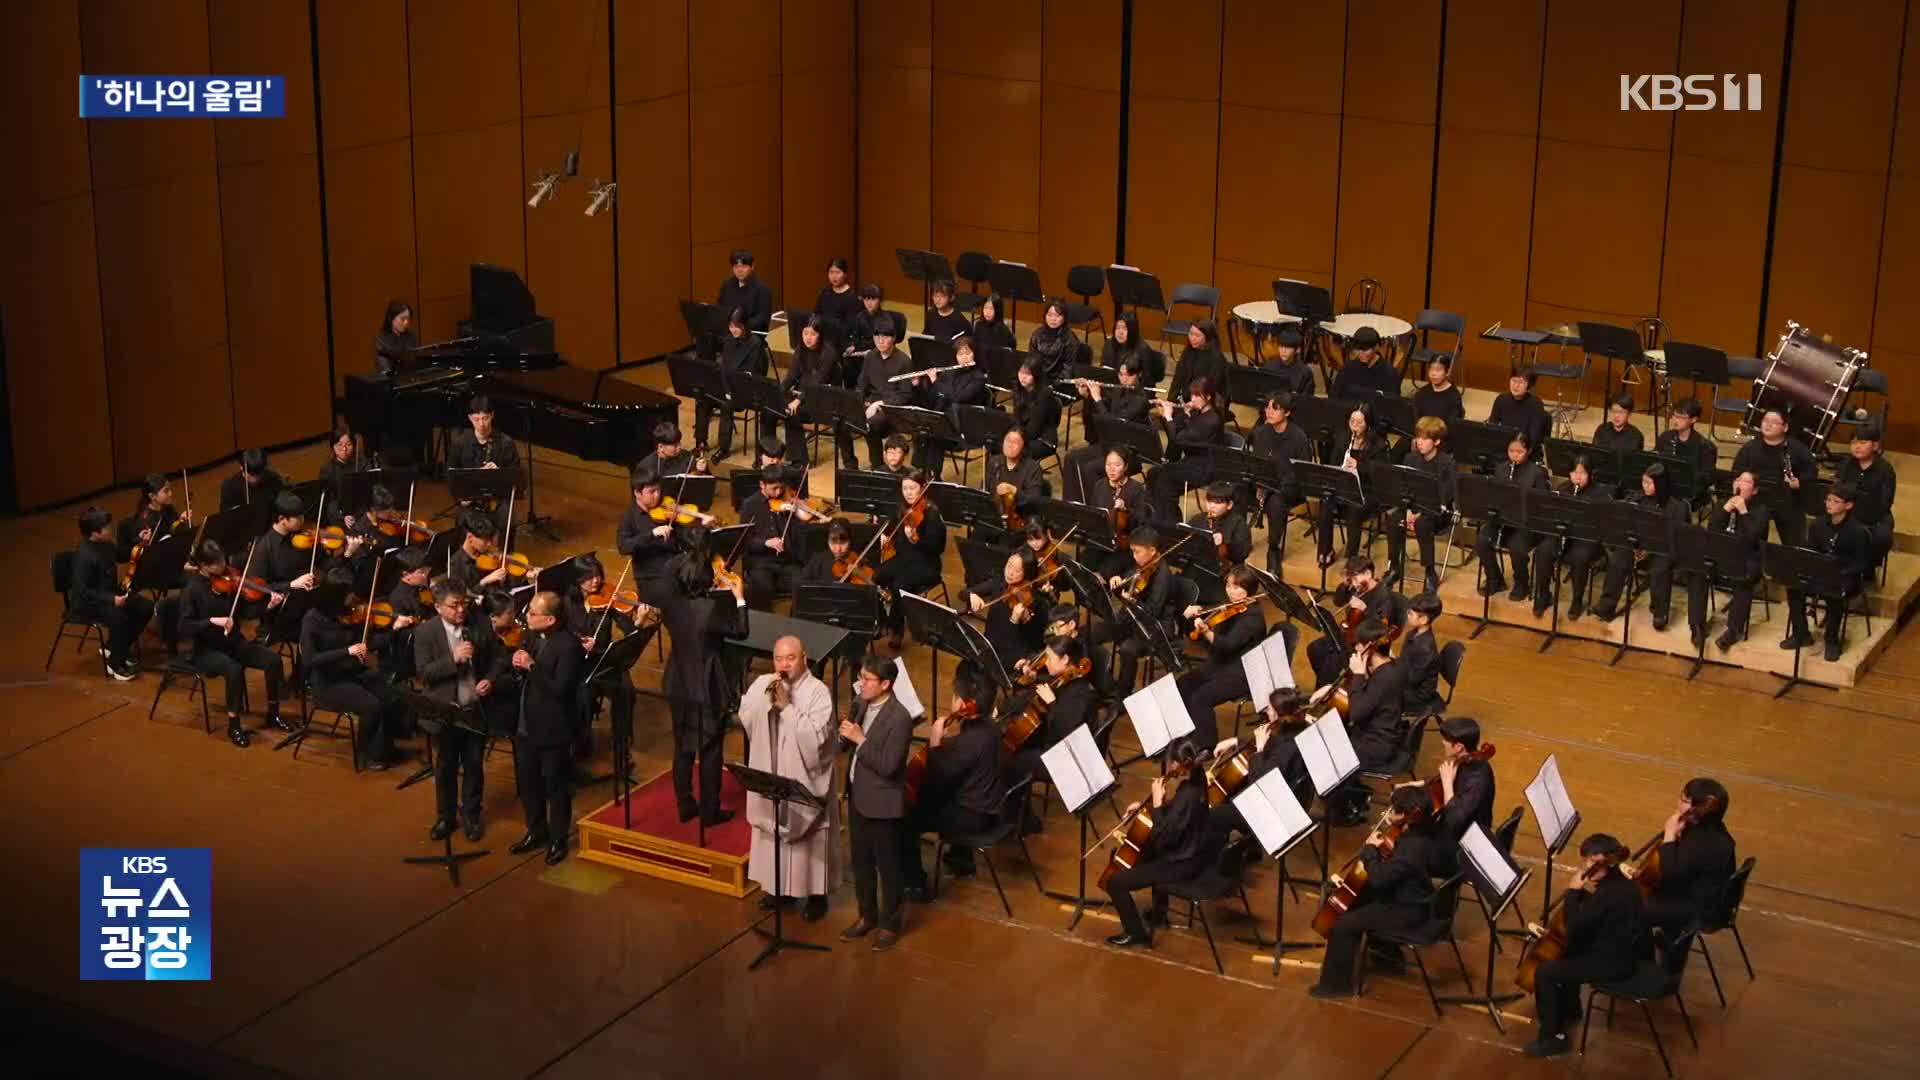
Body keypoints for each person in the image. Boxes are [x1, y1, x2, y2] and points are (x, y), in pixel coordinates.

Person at [1309, 784, 1449, 998]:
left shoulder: (1411, 849)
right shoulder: (1426, 831)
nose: (1388, 814)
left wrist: (1369, 851)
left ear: (1407, 816)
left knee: (1343, 924)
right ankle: (1387, 957)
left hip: (1406, 910)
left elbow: (1378, 880)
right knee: (1357, 900)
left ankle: (1336, 987)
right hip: (1413, 897)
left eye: (1394, 810)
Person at [739, 635, 838, 921]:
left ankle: (816, 897)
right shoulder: (763, 684)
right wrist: (765, 701)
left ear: (804, 658)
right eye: (779, 659)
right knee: (773, 836)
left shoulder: (818, 691)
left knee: (811, 844)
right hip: (772, 771)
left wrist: (787, 708)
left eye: (790, 658)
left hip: (804, 777)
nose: (784, 665)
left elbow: (818, 740)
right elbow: (746, 716)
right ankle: (778, 891)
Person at [1523, 834, 1644, 1059]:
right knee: (1570, 952)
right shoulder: (1623, 885)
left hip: (1611, 964)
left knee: (1546, 972)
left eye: (1589, 860)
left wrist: (1573, 892)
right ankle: (1570, 1009)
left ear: (1603, 863)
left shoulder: (1608, 895)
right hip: (1625, 952)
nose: (1585, 865)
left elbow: (1574, 928)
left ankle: (1551, 1038)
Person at [661, 526, 749, 828]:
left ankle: (685, 803)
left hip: (677, 679)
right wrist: (738, 599)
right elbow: (740, 630)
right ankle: (710, 811)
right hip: (707, 684)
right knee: (711, 749)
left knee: (683, 745)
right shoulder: (711, 610)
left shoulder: (671, 607)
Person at [1103, 739, 1214, 949]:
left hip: (1181, 862)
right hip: (1190, 852)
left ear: (1175, 764)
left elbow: (1165, 837)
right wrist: (1148, 807)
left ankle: (1136, 934)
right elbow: (1178, 817)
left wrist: (1156, 805)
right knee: (1142, 853)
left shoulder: (1188, 794)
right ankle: (1159, 912)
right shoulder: (1196, 781)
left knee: (1115, 882)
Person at [415, 578, 504, 840]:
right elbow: (424, 673)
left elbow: (498, 658)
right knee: (445, 768)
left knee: (474, 766)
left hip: (474, 708)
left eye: (463, 604)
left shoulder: (479, 624)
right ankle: (446, 817)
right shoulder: (425, 633)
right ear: (438, 607)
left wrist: (491, 679)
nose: (461, 610)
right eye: (454, 606)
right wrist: (452, 660)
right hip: (444, 711)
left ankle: (472, 815)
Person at [901, 670, 1002, 895]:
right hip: (989, 803)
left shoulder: (972, 740)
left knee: (905, 817)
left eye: (955, 696)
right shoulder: (991, 726)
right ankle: (960, 858)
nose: (952, 700)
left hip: (974, 815)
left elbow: (938, 775)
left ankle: (915, 884)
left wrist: (936, 741)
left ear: (966, 704)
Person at [840, 654, 915, 952]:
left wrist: (860, 739)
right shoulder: (860, 704)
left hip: (883, 803)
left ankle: (889, 924)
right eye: (860, 676)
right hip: (858, 795)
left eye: (867, 679)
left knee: (888, 866)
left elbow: (889, 766)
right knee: (861, 862)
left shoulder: (900, 718)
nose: (861, 683)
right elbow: (845, 745)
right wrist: (843, 736)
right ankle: (866, 915)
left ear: (886, 684)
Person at [178, 540, 286, 746]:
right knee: (234, 670)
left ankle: (273, 714)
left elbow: (245, 612)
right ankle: (234, 726)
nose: (224, 566)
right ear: (204, 565)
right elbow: (184, 627)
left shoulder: (229, 583)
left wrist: (268, 607)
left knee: (273, 660)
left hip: (234, 643)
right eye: (217, 564)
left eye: (223, 561)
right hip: (206, 650)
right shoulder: (192, 590)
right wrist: (211, 621)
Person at [507, 590, 582, 866]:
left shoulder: (569, 647)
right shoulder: (530, 637)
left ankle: (558, 839)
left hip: (553, 728)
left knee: (556, 786)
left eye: (533, 614)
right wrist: (517, 666)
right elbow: (524, 675)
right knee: (528, 784)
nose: (527, 617)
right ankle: (536, 830)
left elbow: (561, 689)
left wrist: (532, 666)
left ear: (550, 619)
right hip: (526, 724)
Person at [1634, 777, 1736, 973]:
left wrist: (1670, 836)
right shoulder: (1716, 831)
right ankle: (1668, 953)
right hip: (1707, 898)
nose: (1677, 803)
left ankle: (1644, 967)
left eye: (1682, 799)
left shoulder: (1698, 843)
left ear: (1693, 807)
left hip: (1696, 908)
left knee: (1630, 907)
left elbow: (1670, 874)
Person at [1207, 688, 1314, 847]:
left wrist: (1259, 750)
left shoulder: (1288, 747)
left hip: (1274, 809)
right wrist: (1236, 741)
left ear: (1279, 714)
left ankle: (1232, 852)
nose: (1267, 711)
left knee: (1214, 814)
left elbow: (1258, 782)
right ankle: (1248, 847)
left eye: (1270, 708)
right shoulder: (1297, 726)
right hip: (1282, 794)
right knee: (1231, 791)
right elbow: (1272, 739)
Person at [1176, 565, 1267, 746]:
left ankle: (1206, 745)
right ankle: (1190, 733)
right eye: (1228, 586)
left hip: (1243, 672)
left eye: (1236, 587)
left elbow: (1226, 645)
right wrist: (1191, 618)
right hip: (1222, 663)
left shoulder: (1253, 617)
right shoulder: (1230, 609)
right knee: (1183, 684)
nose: (1230, 592)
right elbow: (1212, 647)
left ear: (1249, 590)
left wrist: (1207, 631)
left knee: (1200, 699)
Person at [1594, 464, 1688, 629]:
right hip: (1635, 546)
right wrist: (1635, 546)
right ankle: (1607, 604)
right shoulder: (1635, 499)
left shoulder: (1677, 507)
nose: (1645, 486)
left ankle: (1659, 611)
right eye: (1644, 482)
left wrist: (1649, 551)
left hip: (1661, 551)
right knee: (1618, 558)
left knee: (1660, 569)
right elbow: (1625, 526)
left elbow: (1676, 539)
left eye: (1650, 483)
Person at [1784, 482, 1870, 661]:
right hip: (1821, 572)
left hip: (1846, 576)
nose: (1829, 504)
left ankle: (1831, 640)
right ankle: (1802, 634)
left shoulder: (1858, 531)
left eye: (1835, 501)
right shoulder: (1818, 525)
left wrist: (1839, 573)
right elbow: (1811, 552)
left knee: (1834, 593)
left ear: (1848, 505)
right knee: (1794, 587)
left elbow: (1861, 563)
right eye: (1828, 500)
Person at [1688, 470, 1770, 651]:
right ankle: (1696, 627)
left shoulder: (1761, 511)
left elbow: (1752, 539)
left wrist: (1743, 511)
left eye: (1746, 481)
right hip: (1720, 556)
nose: (1740, 483)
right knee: (1697, 572)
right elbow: (1712, 532)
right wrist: (1725, 510)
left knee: (1743, 579)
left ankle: (1733, 631)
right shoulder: (1722, 504)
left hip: (1746, 559)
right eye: (1738, 479)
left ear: (1755, 490)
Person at [1003, 637, 1097, 788]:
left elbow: (1069, 732)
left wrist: (1052, 703)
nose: (1045, 663)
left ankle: (1018, 808)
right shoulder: (1062, 678)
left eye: (1050, 658)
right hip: (1049, 739)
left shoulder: (1080, 693)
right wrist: (1004, 708)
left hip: (1061, 755)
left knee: (1008, 762)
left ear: (1065, 659)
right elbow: (1031, 695)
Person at [1093, 527, 1176, 695]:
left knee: (1127, 649)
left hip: (1154, 628)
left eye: (1137, 552)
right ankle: (1103, 684)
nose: (1134, 556)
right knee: (1094, 633)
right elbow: (1128, 583)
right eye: (1132, 552)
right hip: (1132, 619)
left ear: (1152, 551)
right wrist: (1118, 582)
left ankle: (1123, 693)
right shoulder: (1140, 566)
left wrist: (1131, 601)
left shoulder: (1163, 576)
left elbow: (1152, 611)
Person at [1530, 455, 1610, 619]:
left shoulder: (1600, 495)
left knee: (1579, 557)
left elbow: (1602, 525)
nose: (1577, 477)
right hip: (1563, 535)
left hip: (1586, 539)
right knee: (1543, 550)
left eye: (1582, 473)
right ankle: (1543, 595)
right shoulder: (1563, 489)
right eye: (1574, 473)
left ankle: (1577, 599)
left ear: (1590, 475)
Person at [1305, 555, 1404, 688]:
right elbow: (1338, 601)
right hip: (1347, 633)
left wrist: (1364, 610)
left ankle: (1326, 687)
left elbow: (1380, 627)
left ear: (1368, 574)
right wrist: (1345, 585)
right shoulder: (1355, 586)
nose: (1354, 582)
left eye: (1355, 577)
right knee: (1314, 648)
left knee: (1332, 661)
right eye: (1351, 578)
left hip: (1362, 642)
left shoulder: (1382, 595)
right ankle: (1324, 683)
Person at [873, 471, 946, 646]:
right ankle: (881, 618)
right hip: (904, 559)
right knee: (876, 576)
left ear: (922, 488)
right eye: (905, 488)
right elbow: (890, 525)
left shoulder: (931, 513)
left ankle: (896, 629)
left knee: (898, 585)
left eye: (913, 488)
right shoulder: (902, 508)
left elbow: (937, 548)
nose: (908, 492)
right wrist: (885, 534)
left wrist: (916, 539)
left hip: (926, 563)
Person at [1475, 432, 1551, 600]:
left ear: (1529, 451)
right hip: (1502, 519)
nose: (1514, 455)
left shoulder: (1538, 473)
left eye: (1519, 452)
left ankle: (1522, 582)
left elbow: (1542, 504)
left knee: (1517, 546)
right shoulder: (1501, 468)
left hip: (1525, 523)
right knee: (1482, 541)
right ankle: (1495, 578)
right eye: (1511, 451)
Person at [1385, 416, 1456, 594]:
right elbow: (1405, 488)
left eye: (1425, 439)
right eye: (1418, 437)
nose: (1419, 442)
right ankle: (1395, 567)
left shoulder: (1447, 463)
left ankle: (1430, 572)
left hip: (1436, 512)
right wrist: (1409, 510)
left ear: (1437, 441)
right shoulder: (1410, 458)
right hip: (1412, 507)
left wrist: (1417, 515)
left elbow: (1444, 496)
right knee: (1393, 519)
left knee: (1422, 523)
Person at [1063, 358, 1151, 499]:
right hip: (1110, 445)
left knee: (1089, 469)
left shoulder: (1141, 400)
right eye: (1121, 374)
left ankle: (1096, 510)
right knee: (1071, 458)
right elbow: (1101, 414)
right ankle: (1073, 505)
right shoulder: (1118, 390)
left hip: (1128, 452)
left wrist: (1097, 398)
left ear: (1138, 375)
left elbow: (1113, 423)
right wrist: (1088, 396)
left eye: (1128, 375)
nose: (1123, 379)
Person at [1315, 403, 1390, 567]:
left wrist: (1359, 465)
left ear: (1368, 425)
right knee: (1326, 502)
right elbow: (1334, 465)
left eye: (1359, 422)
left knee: (1354, 507)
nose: (1354, 426)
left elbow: (1380, 474)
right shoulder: (1343, 439)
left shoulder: (1378, 445)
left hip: (1368, 492)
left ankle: (1352, 557)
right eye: (1352, 421)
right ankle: (1325, 551)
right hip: (1344, 487)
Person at [1731, 406, 1817, 547]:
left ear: (1785, 427)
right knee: (1751, 541)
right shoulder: (1750, 447)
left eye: (1774, 422)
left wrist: (1798, 483)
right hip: (1756, 499)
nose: (1768, 424)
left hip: (1787, 501)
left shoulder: (1797, 449)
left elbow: (1811, 473)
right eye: (1765, 420)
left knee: (1794, 544)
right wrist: (1740, 482)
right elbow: (1737, 471)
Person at [740, 465, 819, 608]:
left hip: (787, 561)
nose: (778, 493)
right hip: (761, 563)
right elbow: (745, 540)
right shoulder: (749, 505)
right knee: (762, 588)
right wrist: (766, 542)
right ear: (762, 485)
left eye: (781, 488)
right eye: (774, 488)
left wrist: (797, 515)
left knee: (806, 586)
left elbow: (800, 537)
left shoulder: (787, 501)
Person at [1250, 392, 1315, 569]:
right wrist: (1259, 484)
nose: (1269, 412)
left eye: (1275, 408)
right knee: (1239, 490)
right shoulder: (1261, 432)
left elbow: (1302, 473)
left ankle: (1273, 549)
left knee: (1276, 502)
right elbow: (1257, 463)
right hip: (1266, 483)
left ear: (1286, 413)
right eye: (1267, 407)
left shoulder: (1298, 436)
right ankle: (1240, 541)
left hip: (1289, 488)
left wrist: (1271, 487)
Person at [1147, 375, 1226, 513]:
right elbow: (1176, 432)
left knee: (1165, 481)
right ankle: (1154, 515)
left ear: (1208, 397)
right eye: (1192, 395)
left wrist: (1169, 417)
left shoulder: (1212, 420)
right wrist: (1176, 415)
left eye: (1197, 396)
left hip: (1205, 468)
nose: (1192, 399)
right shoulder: (1198, 412)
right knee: (1153, 474)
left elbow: (1178, 440)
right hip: (1191, 462)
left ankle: (1170, 522)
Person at [853, 314, 916, 468]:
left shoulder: (904, 361)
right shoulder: (870, 356)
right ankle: (850, 465)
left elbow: (905, 395)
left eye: (885, 337)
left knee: (870, 425)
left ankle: (876, 465)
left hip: (893, 409)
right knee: (841, 422)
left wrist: (880, 404)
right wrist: (857, 404)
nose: (880, 341)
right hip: (871, 403)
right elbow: (861, 385)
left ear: (893, 338)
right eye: (877, 336)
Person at [1835, 420, 1896, 570]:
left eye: (1862, 442)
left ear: (1875, 446)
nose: (1857, 446)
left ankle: (1867, 567)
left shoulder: (1885, 470)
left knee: (1883, 537)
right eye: (1854, 442)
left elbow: (1884, 503)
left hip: (1874, 515)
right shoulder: (1846, 464)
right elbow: (1837, 490)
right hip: (1846, 510)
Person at [615, 467, 683, 592]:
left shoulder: (664, 508)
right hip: (651, 576)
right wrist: (652, 534)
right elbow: (623, 546)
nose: (657, 495)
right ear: (637, 493)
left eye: (658, 490)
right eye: (652, 492)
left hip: (674, 564)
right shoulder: (629, 517)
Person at [985, 428, 1049, 539]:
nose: (1010, 445)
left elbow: (1034, 500)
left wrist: (1014, 491)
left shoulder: (1032, 468)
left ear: (1023, 447)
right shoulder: (994, 462)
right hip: (996, 517)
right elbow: (988, 491)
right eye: (1008, 440)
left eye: (1015, 442)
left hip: (1019, 521)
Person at [1655, 397, 1717, 507]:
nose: (1675, 420)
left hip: (1690, 491)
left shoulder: (1706, 447)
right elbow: (1656, 462)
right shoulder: (1665, 437)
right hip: (1666, 486)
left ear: (1693, 419)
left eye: (1681, 417)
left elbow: (1707, 478)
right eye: (1674, 415)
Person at [1397, 592, 1445, 718]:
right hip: (1408, 682)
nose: (1407, 616)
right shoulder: (1412, 634)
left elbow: (1412, 679)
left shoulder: (1426, 650)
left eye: (1411, 614)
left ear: (1423, 620)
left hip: (1417, 695)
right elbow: (1405, 662)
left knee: (1380, 693)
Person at [448, 394, 520, 473]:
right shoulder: (459, 443)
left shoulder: (506, 443)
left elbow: (516, 475)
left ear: (492, 415)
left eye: (485, 418)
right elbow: (451, 476)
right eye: (476, 419)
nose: (481, 424)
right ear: (470, 418)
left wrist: (498, 472)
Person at [1008, 358, 1062, 458]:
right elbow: (1016, 417)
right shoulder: (1018, 390)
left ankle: (1025, 473)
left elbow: (1034, 429)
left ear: (1036, 375)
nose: (1022, 377)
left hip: (1043, 440)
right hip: (1025, 434)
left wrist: (1016, 438)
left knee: (1015, 450)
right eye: (1021, 372)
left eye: (1028, 374)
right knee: (999, 445)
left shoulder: (1044, 395)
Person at [1487, 367, 1551, 451]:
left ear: (1529, 386)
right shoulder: (1501, 399)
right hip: (1504, 445)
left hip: (1524, 448)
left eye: (1521, 382)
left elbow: (1533, 437)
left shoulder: (1536, 405)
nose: (1516, 386)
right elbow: (1492, 426)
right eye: (1514, 380)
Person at [1330, 326, 1399, 399]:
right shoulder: (1347, 368)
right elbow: (1334, 396)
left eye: (1365, 349)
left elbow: (1393, 404)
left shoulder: (1390, 373)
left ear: (1376, 347)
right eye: (1358, 349)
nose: (1360, 353)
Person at [1102, 311, 1166, 389]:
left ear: (1132, 331)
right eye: (1118, 328)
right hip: (1113, 387)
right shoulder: (1109, 345)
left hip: (1136, 391)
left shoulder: (1143, 349)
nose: (1120, 332)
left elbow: (1148, 380)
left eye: (1125, 329)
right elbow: (1104, 369)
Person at [715, 248, 773, 332]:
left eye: (744, 266)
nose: (739, 270)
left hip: (751, 336)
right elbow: (720, 309)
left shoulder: (763, 289)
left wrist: (739, 326)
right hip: (728, 333)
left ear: (752, 266)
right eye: (736, 266)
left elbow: (762, 320)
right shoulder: (727, 285)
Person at [812, 256, 863, 350]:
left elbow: (851, 327)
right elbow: (816, 313)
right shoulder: (825, 292)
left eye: (838, 272)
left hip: (840, 340)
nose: (834, 276)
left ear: (845, 274)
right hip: (823, 335)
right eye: (831, 272)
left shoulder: (852, 297)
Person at [1025, 300, 1080, 384]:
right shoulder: (1037, 334)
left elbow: (1068, 368)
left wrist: (1054, 384)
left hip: (1058, 381)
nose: (1053, 319)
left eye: (1057, 316)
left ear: (1064, 317)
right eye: (1049, 315)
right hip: (1038, 378)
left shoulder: (1070, 339)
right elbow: (1031, 359)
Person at [634, 421, 708, 479]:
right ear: (660, 447)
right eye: (675, 445)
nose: (679, 447)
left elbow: (698, 481)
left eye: (679, 443)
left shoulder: (688, 457)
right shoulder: (646, 467)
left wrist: (699, 471)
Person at [220, 447, 284, 513]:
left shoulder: (274, 479)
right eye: (252, 475)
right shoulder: (229, 487)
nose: (256, 479)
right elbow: (225, 515)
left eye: (259, 474)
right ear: (241, 467)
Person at [1260, 324, 1316, 397]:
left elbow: (1306, 400)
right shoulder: (1269, 366)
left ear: (1297, 350)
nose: (1284, 351)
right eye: (1281, 346)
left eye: (1288, 347)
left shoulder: (1305, 372)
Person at [1408, 354, 1464, 426]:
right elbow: (1414, 418)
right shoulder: (1421, 393)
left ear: (1447, 372)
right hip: (1421, 433)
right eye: (1431, 369)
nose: (1433, 373)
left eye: (1438, 370)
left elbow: (1451, 426)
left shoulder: (1454, 397)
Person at [844, 283, 889, 372]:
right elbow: (856, 336)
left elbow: (885, 343)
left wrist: (870, 352)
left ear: (880, 300)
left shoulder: (885, 319)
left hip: (878, 352)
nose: (869, 303)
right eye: (866, 299)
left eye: (873, 299)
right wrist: (853, 346)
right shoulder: (860, 316)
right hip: (861, 352)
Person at [373, 299, 417, 374]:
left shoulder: (411, 335)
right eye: (403, 319)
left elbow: (415, 360)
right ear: (391, 318)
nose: (406, 322)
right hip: (392, 380)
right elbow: (385, 368)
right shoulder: (381, 340)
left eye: (408, 319)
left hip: (411, 377)